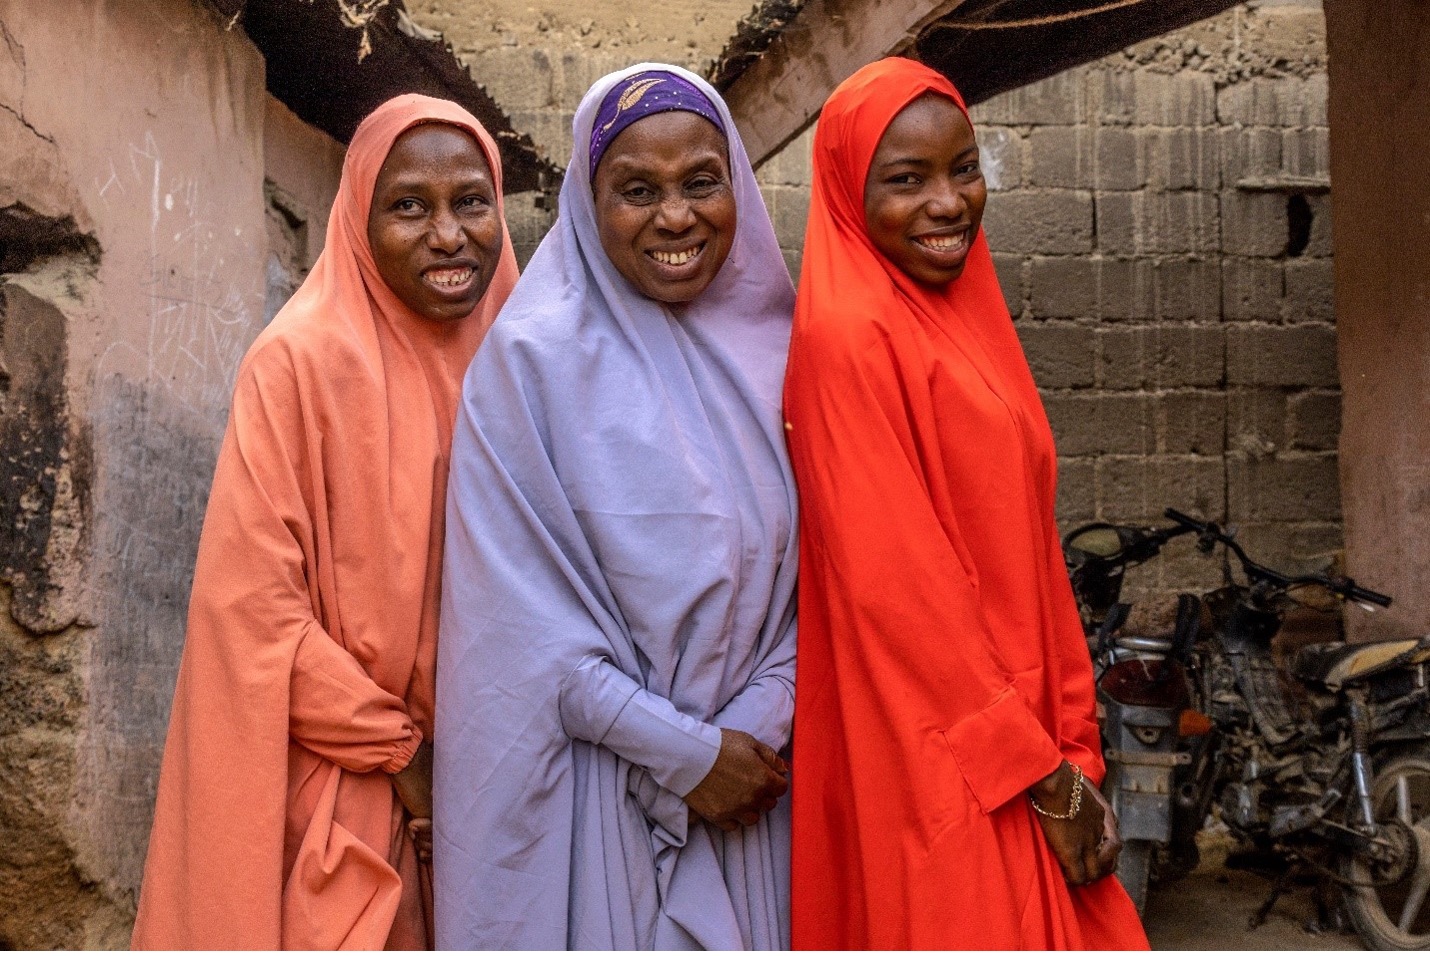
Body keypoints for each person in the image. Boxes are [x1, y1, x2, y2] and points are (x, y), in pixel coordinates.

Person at [130, 94, 518, 950]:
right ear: (356, 218)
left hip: (508, 791)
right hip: (350, 788)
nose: (448, 234)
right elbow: (256, 615)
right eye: (409, 205)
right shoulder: (299, 363)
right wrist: (410, 759)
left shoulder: (526, 357)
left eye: (472, 202)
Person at [783, 57, 1149, 949]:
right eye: (905, 180)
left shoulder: (962, 320)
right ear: (845, 192)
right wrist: (1042, 777)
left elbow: (1028, 552)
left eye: (964, 169)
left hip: (1023, 741)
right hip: (942, 756)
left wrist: (1072, 740)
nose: (948, 204)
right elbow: (902, 596)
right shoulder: (847, 339)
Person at [434, 64, 798, 950]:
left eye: (701, 183)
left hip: (760, 785)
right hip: (596, 794)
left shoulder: (793, 357)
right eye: (637, 190)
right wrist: (685, 756)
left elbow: (833, 584)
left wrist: (748, 731)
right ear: (587, 204)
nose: (676, 217)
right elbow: (518, 627)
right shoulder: (529, 367)